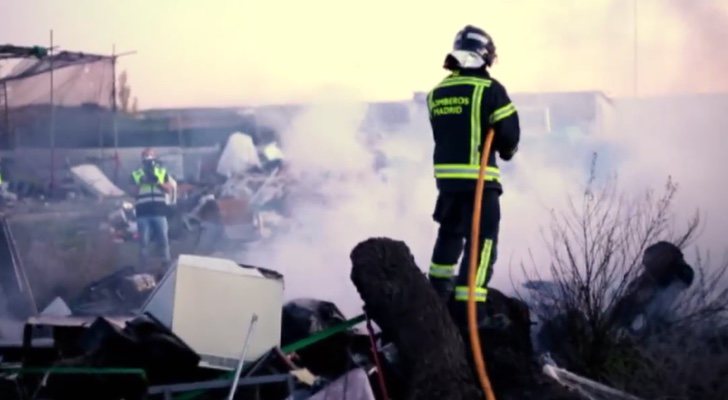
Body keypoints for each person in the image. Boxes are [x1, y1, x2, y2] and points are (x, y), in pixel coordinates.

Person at [426, 25, 520, 309]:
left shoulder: (437, 93)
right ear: (484, 55)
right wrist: (506, 150)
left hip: (447, 183)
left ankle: (437, 292)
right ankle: (471, 304)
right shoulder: (489, 90)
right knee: (483, 239)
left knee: (449, 234)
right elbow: (510, 136)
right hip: (480, 181)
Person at [130, 148, 175, 269]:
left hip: (159, 211)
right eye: (145, 156)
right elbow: (132, 192)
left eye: (150, 156)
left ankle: (166, 266)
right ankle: (143, 268)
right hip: (143, 212)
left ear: (155, 158)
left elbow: (169, 189)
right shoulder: (137, 173)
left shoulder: (161, 172)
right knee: (143, 243)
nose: (148, 159)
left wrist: (157, 182)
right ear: (142, 159)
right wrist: (141, 182)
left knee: (164, 241)